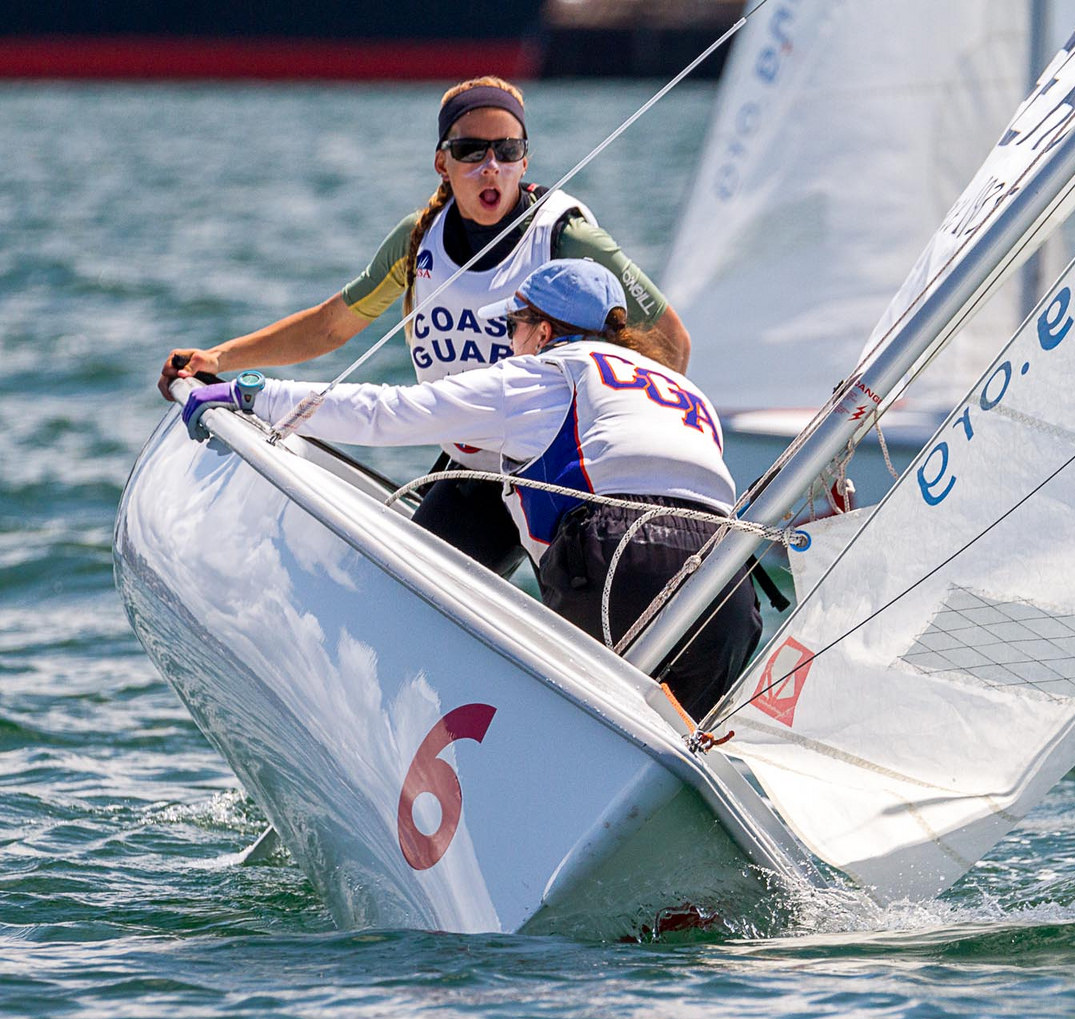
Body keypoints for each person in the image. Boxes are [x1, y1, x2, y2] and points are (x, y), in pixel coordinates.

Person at [179, 259, 757, 719]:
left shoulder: (543, 374)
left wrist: (251, 394)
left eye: (514, 325)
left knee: (571, 725)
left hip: (623, 561)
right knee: (678, 737)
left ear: (544, 330)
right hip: (729, 585)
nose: (509, 340)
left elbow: (387, 411)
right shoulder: (684, 391)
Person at [160, 75, 692, 576]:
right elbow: (330, 328)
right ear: (442, 161)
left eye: (507, 151)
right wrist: (219, 360)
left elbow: (672, 344)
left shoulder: (565, 237)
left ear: (524, 158)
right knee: (403, 589)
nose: (491, 167)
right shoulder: (418, 241)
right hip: (470, 472)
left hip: (558, 477)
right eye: (471, 151)